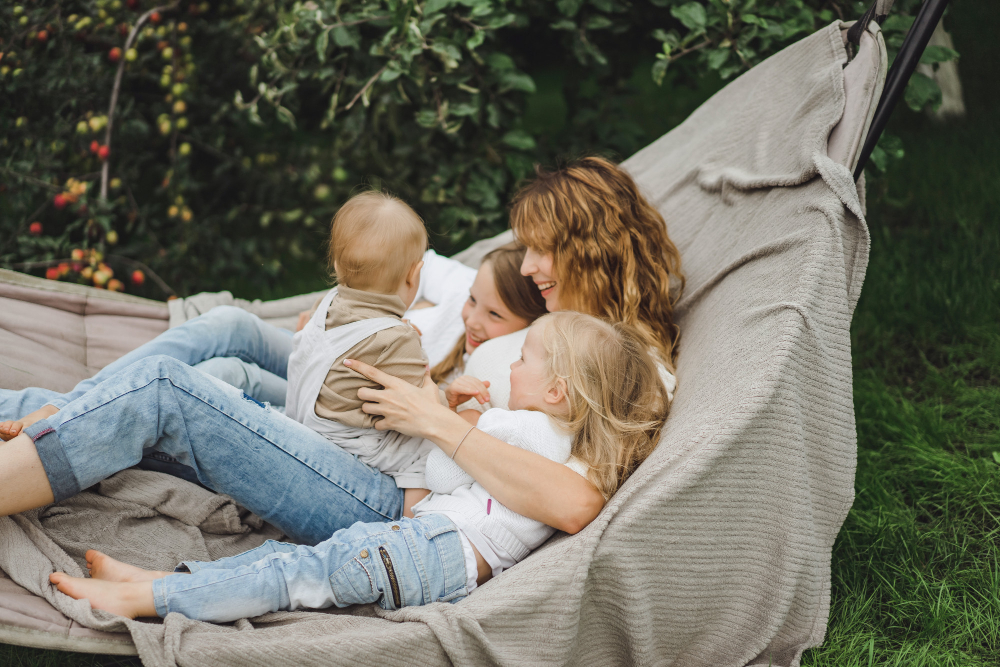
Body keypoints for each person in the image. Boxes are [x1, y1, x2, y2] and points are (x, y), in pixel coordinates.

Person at [0, 155, 682, 548]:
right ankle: (62, 416)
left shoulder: (628, 363)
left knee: (168, 389)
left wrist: (433, 417)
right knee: (225, 343)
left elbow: (574, 502)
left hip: (393, 492)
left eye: (543, 248)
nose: (529, 263)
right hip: (380, 420)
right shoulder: (554, 306)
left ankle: (62, 419)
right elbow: (437, 273)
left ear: (591, 245)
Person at [48, 312, 669, 620]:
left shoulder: (540, 438)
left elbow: (561, 500)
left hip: (432, 544)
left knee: (291, 572)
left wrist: (443, 420)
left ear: (558, 392)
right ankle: (153, 585)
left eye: (525, 359)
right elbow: (463, 483)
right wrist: (451, 419)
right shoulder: (545, 435)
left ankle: (152, 595)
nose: (511, 367)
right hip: (425, 536)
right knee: (288, 567)